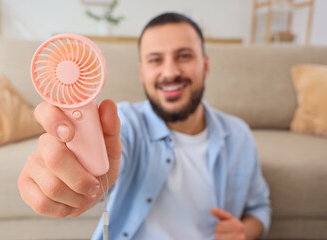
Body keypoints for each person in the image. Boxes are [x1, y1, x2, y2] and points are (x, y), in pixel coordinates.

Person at [18, 12, 271, 240]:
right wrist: (80, 181)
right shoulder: (124, 122)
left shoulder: (238, 135)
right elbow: (109, 166)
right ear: (142, 72)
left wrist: (245, 231)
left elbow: (260, 207)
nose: (170, 72)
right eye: (155, 60)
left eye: (184, 56)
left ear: (205, 65)